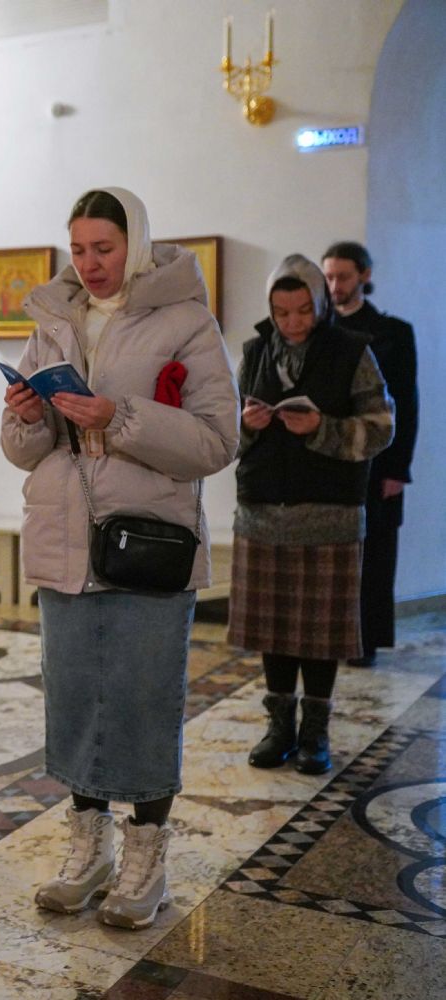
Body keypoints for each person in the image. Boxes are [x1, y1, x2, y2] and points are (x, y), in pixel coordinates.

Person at [0, 188, 238, 930]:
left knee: (141, 701)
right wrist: (25, 419)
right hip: (66, 541)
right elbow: (22, 453)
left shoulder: (185, 320)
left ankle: (146, 860)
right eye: (77, 249)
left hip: (146, 545)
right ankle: (89, 851)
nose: (88, 263)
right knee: (74, 701)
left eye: (103, 248)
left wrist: (119, 416)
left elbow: (217, 441)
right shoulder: (54, 319)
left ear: (135, 243)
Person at [231, 254, 393, 775]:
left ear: (320, 304)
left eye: (303, 311)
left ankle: (315, 733)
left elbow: (381, 427)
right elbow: (226, 436)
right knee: (273, 629)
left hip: (329, 515)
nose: (293, 323)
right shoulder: (255, 351)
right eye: (281, 313)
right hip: (262, 511)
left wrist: (321, 429)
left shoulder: (352, 351)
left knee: (320, 633)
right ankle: (279, 727)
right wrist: (248, 424)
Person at [321, 242, 418, 667]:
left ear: (364, 275)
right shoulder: (319, 329)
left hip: (379, 462)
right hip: (329, 456)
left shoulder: (394, 332)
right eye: (329, 277)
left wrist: (398, 469)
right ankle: (328, 639)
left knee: (375, 553)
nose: (335, 285)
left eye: (343, 276)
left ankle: (365, 643)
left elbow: (407, 406)